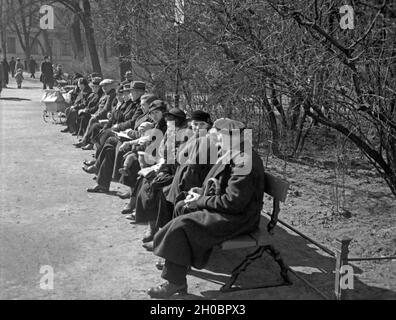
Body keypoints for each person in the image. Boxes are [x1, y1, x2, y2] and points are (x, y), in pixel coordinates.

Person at [147, 118, 265, 299]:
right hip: (230, 210)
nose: (215, 143)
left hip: (240, 219)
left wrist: (201, 200)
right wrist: (200, 192)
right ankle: (179, 263)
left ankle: (174, 281)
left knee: (183, 225)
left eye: (217, 139)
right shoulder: (233, 151)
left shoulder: (244, 161)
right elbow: (219, 185)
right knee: (181, 205)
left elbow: (233, 203)